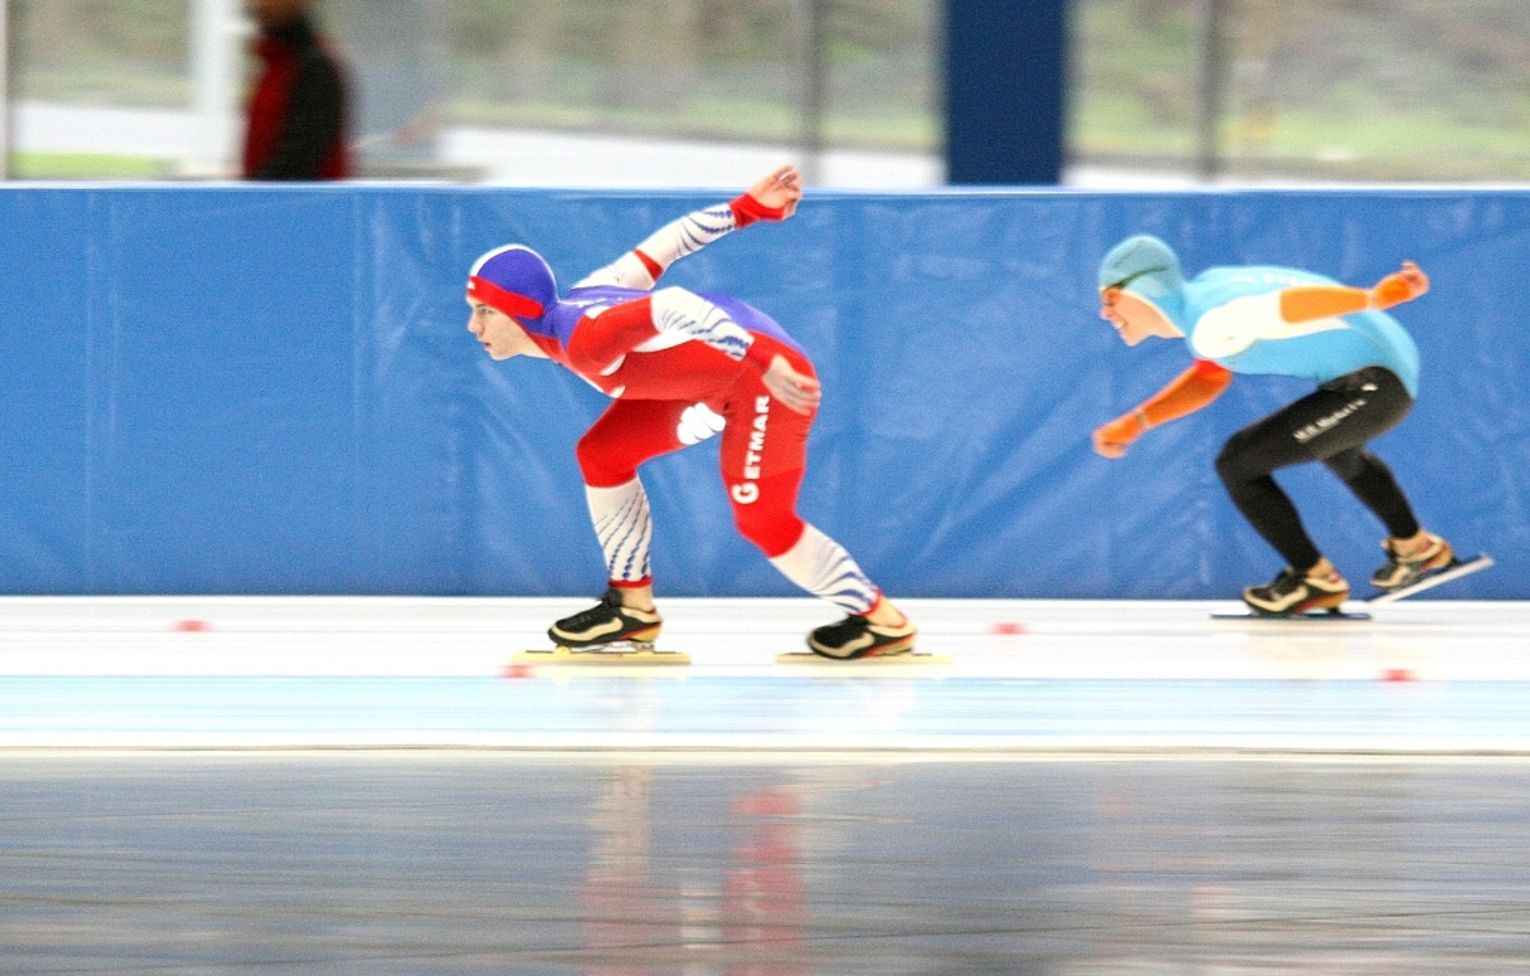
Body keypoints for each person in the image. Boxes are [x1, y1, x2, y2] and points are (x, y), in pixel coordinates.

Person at [464, 165, 917, 659]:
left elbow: (675, 304)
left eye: (485, 310)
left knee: (764, 521)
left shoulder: (588, 340)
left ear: (521, 310)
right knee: (602, 454)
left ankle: (881, 620)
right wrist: (745, 210)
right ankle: (632, 607)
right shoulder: (589, 293)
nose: (473, 326)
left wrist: (761, 359)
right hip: (714, 379)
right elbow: (666, 246)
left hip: (766, 381)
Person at [1091, 234, 1455, 615]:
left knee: (1238, 463)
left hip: (1377, 382)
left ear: (1146, 288)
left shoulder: (1211, 320)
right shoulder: (1206, 300)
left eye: (1110, 298)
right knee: (1339, 450)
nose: (1105, 313)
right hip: (1379, 371)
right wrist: (1138, 421)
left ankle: (1314, 578)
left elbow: (1287, 305)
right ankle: (1417, 548)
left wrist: (1373, 298)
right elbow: (1210, 377)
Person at [242, 0, 351, 180]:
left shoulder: (313, 68)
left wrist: (250, 193)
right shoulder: (276, 65)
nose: (257, 5)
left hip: (298, 197)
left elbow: (297, 162)